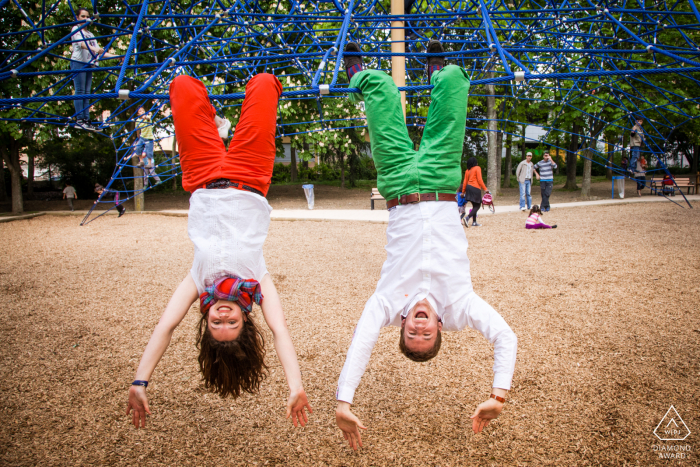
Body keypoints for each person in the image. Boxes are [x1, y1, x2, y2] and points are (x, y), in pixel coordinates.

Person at [335, 40, 517, 450]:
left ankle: (356, 74)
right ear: (439, 329)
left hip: (398, 182)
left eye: (411, 334)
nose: (418, 327)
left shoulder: (386, 303)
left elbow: (361, 341)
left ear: (401, 326)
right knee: (454, 79)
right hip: (438, 179)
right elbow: (506, 337)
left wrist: (343, 400)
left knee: (380, 87)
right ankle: (436, 74)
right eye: (426, 334)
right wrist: (498, 395)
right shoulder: (462, 307)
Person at [125, 73, 312, 430]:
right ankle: (221, 127)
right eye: (231, 322)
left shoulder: (198, 280)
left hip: (202, 174)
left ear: (207, 321)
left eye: (217, 323)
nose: (224, 316)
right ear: (245, 321)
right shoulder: (257, 283)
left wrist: (140, 380)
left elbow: (165, 327)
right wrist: (295, 386)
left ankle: (215, 125)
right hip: (250, 173)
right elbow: (281, 333)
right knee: (263, 83)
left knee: (182, 87)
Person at [70, 8, 122, 131]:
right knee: (80, 91)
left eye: (87, 16)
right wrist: (95, 50)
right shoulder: (76, 30)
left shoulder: (91, 35)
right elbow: (81, 44)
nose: (85, 19)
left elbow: (100, 52)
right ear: (77, 18)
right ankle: (80, 119)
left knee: (87, 93)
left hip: (89, 64)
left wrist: (117, 57)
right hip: (78, 63)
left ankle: (86, 120)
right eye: (82, 16)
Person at [460, 157, 489, 227]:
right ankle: (467, 218)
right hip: (475, 188)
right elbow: (479, 180)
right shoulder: (477, 168)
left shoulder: (467, 171)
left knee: (474, 205)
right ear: (475, 162)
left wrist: (463, 192)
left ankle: (474, 222)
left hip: (468, 188)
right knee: (478, 205)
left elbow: (465, 182)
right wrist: (485, 189)